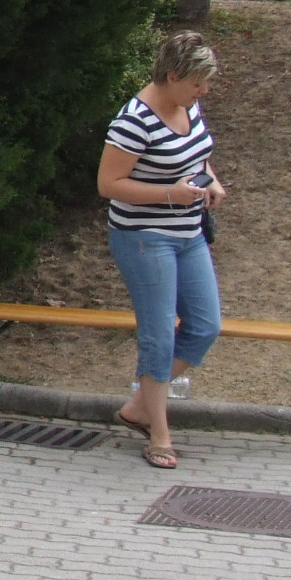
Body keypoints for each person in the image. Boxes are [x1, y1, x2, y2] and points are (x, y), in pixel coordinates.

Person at [98, 32, 227, 470]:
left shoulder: (187, 104)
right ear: (172, 76)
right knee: (159, 334)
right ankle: (159, 433)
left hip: (188, 233)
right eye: (196, 83)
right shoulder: (134, 121)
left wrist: (210, 180)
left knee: (205, 326)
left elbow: (196, 154)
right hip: (143, 237)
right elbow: (108, 184)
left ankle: (138, 407)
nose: (202, 91)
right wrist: (170, 193)